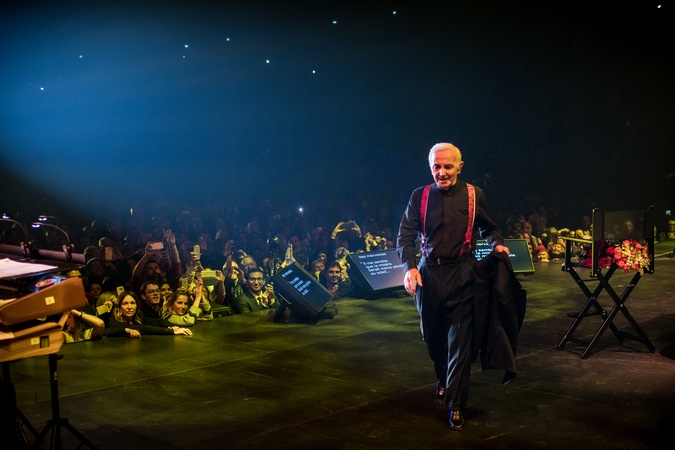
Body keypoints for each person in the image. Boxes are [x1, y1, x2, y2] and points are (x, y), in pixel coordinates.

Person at [396, 142, 510, 431]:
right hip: (428, 275)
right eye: (437, 166)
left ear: (460, 166)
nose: (442, 172)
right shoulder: (419, 196)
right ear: (430, 167)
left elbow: (490, 228)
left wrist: (497, 245)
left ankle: (456, 405)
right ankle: (442, 377)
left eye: (448, 166)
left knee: (460, 342)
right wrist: (410, 267)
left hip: (463, 274)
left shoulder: (474, 194)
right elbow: (405, 235)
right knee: (432, 337)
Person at [105, 291, 193, 338]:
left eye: (132, 303)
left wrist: (171, 326)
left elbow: (157, 322)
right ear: (119, 306)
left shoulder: (138, 317)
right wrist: (170, 332)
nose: (129, 307)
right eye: (125, 304)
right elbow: (144, 329)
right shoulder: (114, 321)